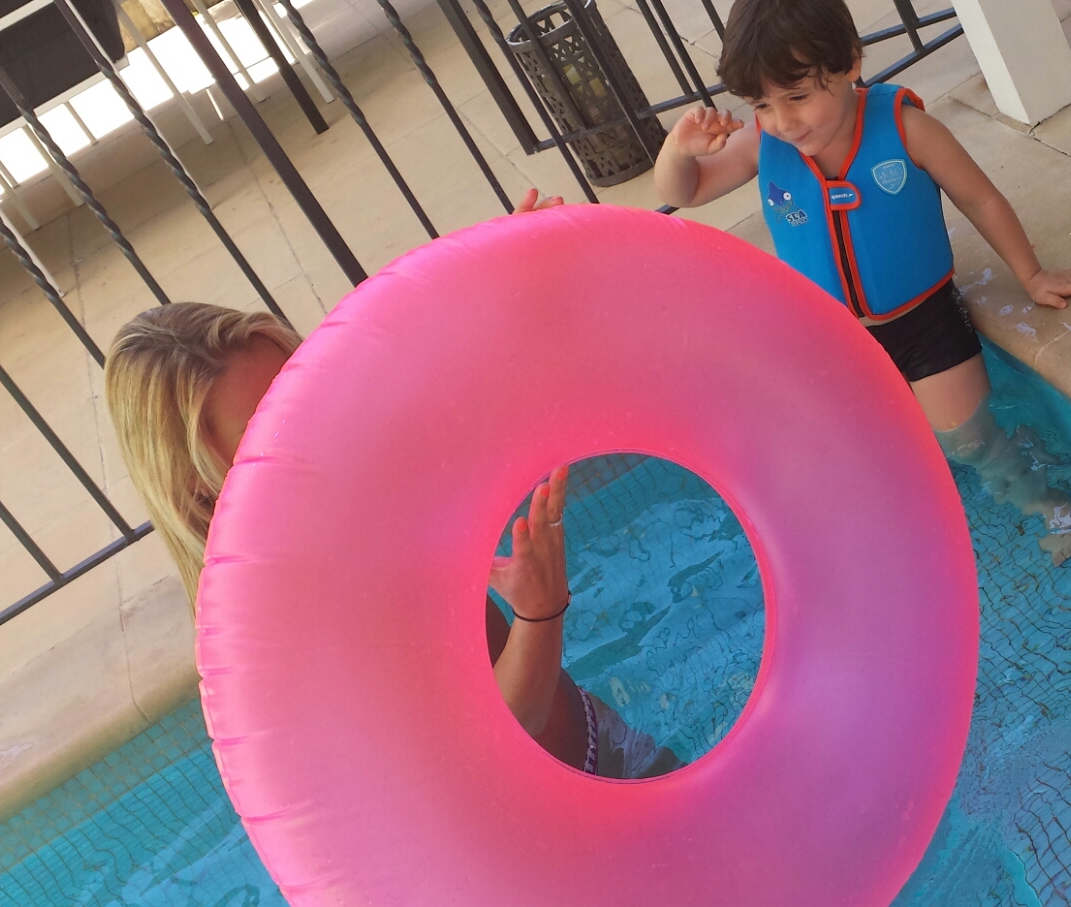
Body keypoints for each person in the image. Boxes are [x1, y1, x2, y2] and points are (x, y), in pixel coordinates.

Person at [104, 203, 676, 779]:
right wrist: (538, 612)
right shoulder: (302, 613)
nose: (314, 431)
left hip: (598, 739)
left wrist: (517, 294)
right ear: (201, 494)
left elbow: (462, 399)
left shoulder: (354, 477)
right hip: (544, 814)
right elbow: (498, 733)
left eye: (301, 394)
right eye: (272, 432)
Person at [654, 0, 1071, 564]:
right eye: (761, 104)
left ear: (849, 63)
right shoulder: (766, 144)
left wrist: (1032, 275)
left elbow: (980, 199)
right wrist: (678, 151)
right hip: (838, 343)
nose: (783, 121)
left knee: (969, 442)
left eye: (797, 97)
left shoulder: (906, 129)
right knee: (855, 454)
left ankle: (1052, 504)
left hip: (925, 326)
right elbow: (685, 191)